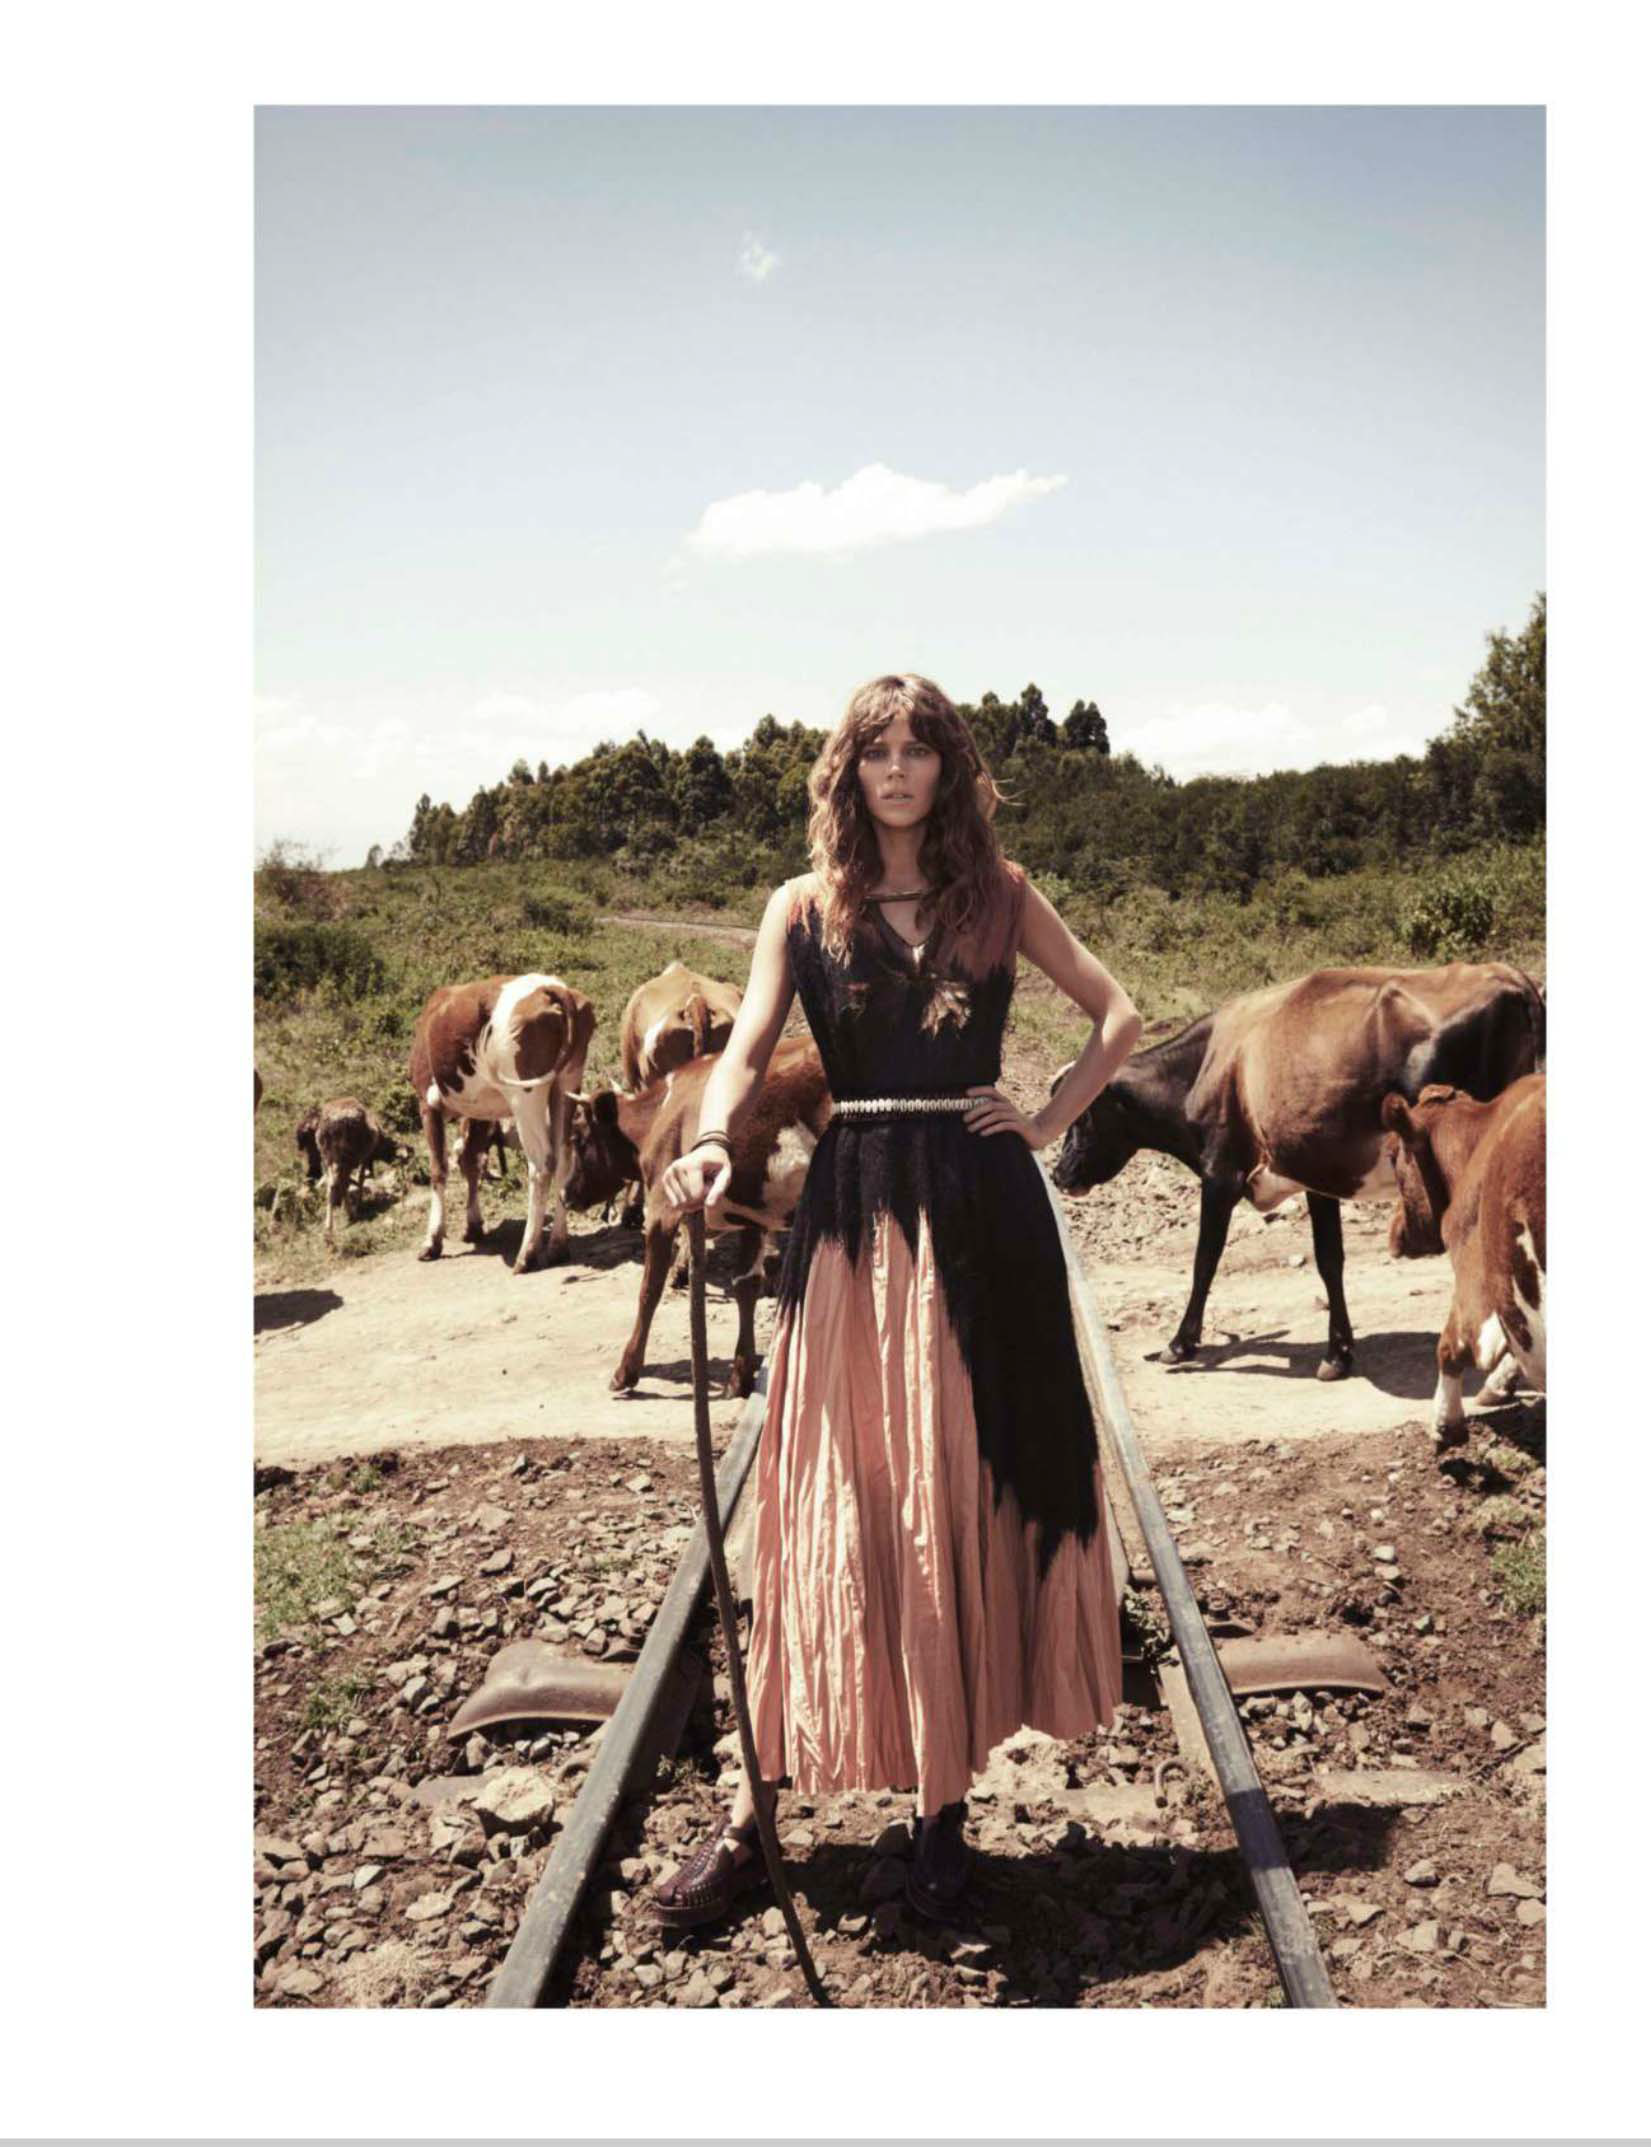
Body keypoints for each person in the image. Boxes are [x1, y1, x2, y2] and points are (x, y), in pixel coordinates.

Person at [653, 673, 1143, 1928]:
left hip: (984, 1223)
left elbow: (1118, 1014)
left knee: (955, 1496)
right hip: (858, 1215)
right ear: (848, 770)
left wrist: (1046, 1117)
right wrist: (708, 1139)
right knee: (831, 1498)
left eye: (921, 748)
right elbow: (746, 1048)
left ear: (950, 768)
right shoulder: (800, 905)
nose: (899, 769)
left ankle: (941, 1810)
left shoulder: (1002, 893)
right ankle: (755, 1810)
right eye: (877, 750)